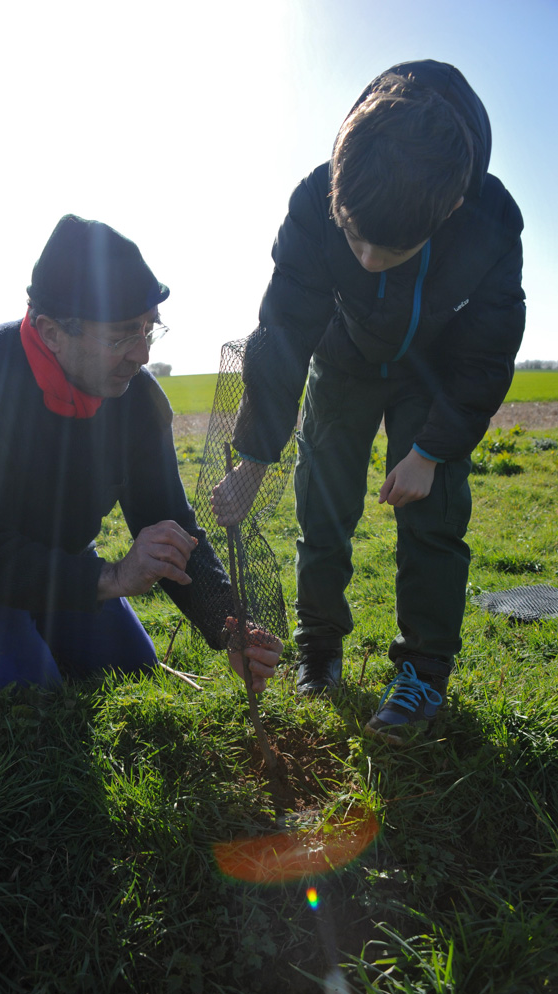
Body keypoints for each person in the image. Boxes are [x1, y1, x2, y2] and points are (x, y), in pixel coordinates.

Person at [211, 60, 525, 743]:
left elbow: (483, 354)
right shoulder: (311, 200)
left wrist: (428, 451)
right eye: (351, 235)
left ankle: (421, 673)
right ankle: (317, 647)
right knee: (322, 508)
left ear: (448, 210)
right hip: (342, 361)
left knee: (432, 518)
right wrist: (254, 459)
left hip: (432, 374)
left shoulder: (491, 223)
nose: (363, 259)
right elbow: (285, 329)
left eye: (390, 249)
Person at [0, 214, 281, 701]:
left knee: (130, 668)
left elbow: (169, 523)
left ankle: (29, 625)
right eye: (121, 335)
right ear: (52, 331)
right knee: (24, 695)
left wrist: (228, 625)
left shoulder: (137, 400)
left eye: (148, 330)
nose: (141, 355)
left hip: (57, 553)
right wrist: (113, 577)